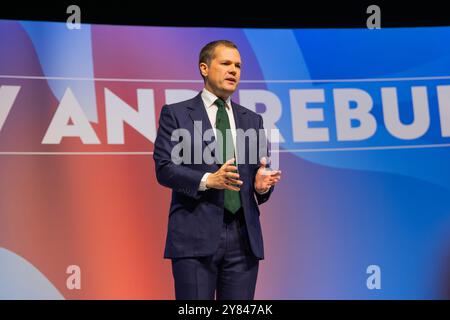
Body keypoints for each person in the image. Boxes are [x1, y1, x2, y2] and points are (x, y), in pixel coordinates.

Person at [153, 40, 281, 300]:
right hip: (194, 234)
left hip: (243, 238)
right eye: (225, 64)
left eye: (238, 66)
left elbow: (261, 172)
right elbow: (164, 168)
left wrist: (261, 186)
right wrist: (209, 180)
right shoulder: (177, 114)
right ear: (204, 68)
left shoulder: (251, 120)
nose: (233, 70)